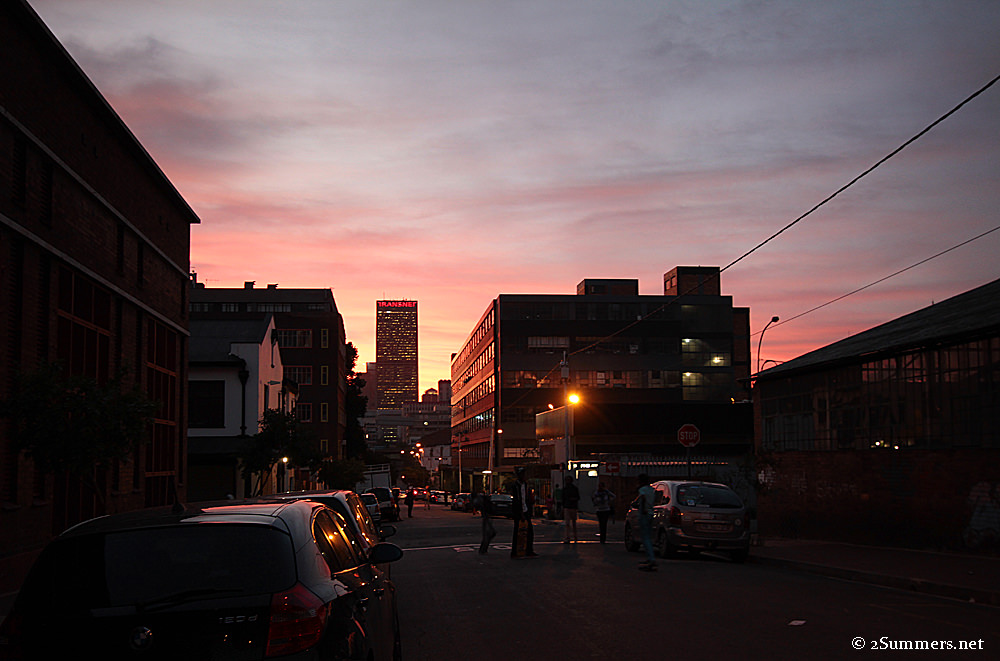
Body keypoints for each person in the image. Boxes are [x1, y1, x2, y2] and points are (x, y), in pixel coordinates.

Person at [509, 467, 537, 558]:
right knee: (517, 532)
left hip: (526, 509)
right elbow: (517, 500)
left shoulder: (525, 485)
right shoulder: (516, 485)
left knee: (529, 531)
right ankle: (515, 552)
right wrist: (520, 513)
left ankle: (528, 550)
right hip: (519, 511)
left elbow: (526, 498)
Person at [636, 474, 657, 571]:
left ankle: (651, 558)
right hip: (650, 513)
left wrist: (643, 508)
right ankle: (649, 557)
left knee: (645, 537)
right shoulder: (652, 490)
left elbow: (643, 499)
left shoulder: (643, 490)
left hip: (644, 514)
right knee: (648, 535)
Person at [474, 488, 496, 554]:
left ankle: (483, 549)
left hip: (487, 516)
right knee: (488, 533)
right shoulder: (484, 500)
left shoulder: (482, 500)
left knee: (488, 533)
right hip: (487, 516)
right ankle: (483, 549)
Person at [562, 475, 580, 543]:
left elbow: (577, 497)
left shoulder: (572, 489)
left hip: (571, 507)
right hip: (569, 507)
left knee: (572, 523)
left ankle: (572, 536)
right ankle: (569, 537)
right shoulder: (566, 489)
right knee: (569, 523)